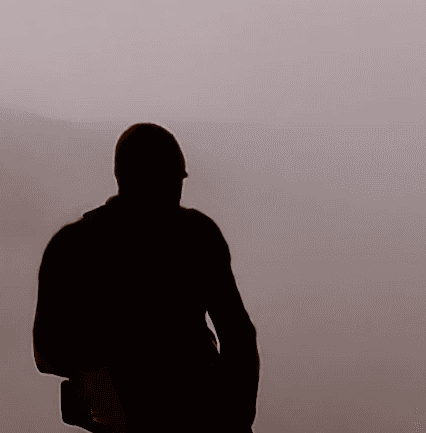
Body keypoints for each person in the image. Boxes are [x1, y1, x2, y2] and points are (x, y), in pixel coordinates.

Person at [33, 123, 258, 431]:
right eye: (160, 181)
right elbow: (47, 349)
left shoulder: (197, 237)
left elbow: (238, 335)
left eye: (173, 181)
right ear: (127, 179)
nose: (170, 192)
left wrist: (237, 418)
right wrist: (103, 373)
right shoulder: (77, 246)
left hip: (190, 411)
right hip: (132, 414)